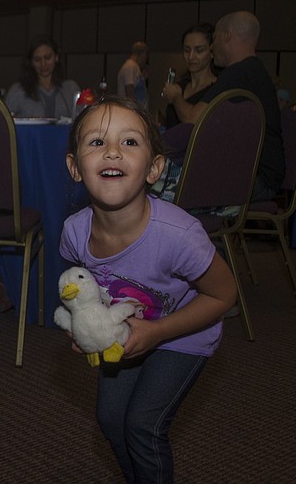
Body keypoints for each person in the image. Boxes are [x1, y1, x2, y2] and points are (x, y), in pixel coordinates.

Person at [61, 94, 237, 484]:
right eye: (96, 142)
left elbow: (224, 296)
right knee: (110, 420)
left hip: (185, 333)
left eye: (129, 142)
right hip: (124, 332)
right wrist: (82, 323)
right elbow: (84, 287)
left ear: (154, 168)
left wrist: (157, 332)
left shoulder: (179, 236)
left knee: (142, 425)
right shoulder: (75, 232)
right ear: (75, 167)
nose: (111, 152)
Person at [162, 11, 285, 201]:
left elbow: (193, 121)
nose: (213, 46)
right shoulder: (253, 72)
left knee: (151, 182)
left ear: (226, 36)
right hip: (258, 175)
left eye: (214, 39)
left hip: (254, 179)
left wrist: (176, 97)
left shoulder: (238, 74)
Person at [4, 34, 80, 120]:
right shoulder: (17, 91)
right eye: (37, 59)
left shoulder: (71, 88)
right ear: (31, 62)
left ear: (56, 57)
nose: (43, 64)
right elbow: (6, 123)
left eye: (47, 57)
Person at [163, 24, 218, 129]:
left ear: (212, 52)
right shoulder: (178, 87)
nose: (191, 57)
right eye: (187, 50)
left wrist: (175, 98)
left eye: (199, 50)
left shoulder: (217, 88)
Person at [117, 41, 150, 109]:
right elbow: (129, 90)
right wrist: (136, 111)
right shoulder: (130, 66)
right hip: (133, 111)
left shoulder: (134, 67)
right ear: (142, 54)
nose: (146, 60)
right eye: (146, 55)